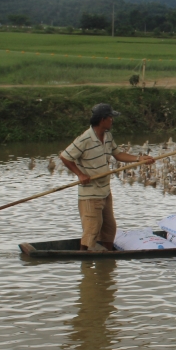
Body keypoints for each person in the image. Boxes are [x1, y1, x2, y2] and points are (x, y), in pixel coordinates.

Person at [60, 104, 154, 251]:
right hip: (90, 193)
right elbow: (65, 157)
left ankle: (108, 259)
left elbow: (118, 155)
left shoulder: (108, 136)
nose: (112, 121)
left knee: (109, 228)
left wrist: (139, 159)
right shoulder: (85, 139)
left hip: (105, 191)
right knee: (92, 229)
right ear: (103, 120)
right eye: (110, 118)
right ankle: (85, 260)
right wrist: (80, 174)